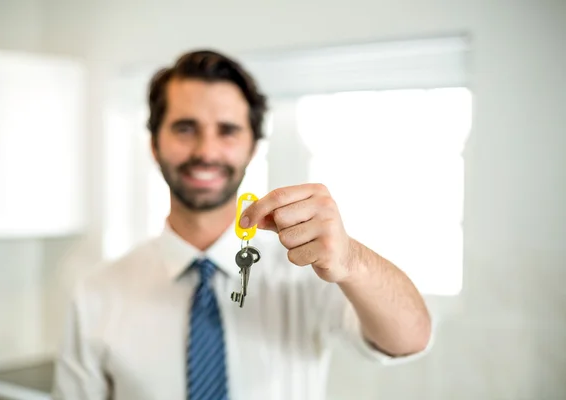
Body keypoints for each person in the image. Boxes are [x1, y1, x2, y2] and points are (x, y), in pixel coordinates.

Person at [52, 50, 433, 400]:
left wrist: (353, 260)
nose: (206, 151)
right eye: (185, 128)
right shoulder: (96, 294)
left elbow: (411, 339)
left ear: (252, 146)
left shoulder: (304, 273)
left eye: (228, 130)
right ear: (154, 144)